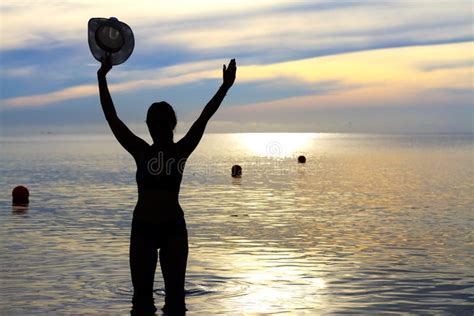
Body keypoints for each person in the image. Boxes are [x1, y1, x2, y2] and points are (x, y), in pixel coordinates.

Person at [97, 55, 237, 314]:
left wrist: (225, 87)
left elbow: (204, 117)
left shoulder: (181, 150)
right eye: (153, 122)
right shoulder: (140, 151)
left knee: (175, 302)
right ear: (148, 125)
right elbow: (112, 118)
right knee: (141, 302)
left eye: (163, 123)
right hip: (142, 230)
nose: (157, 127)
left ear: (172, 125)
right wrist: (101, 77)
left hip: (174, 230)